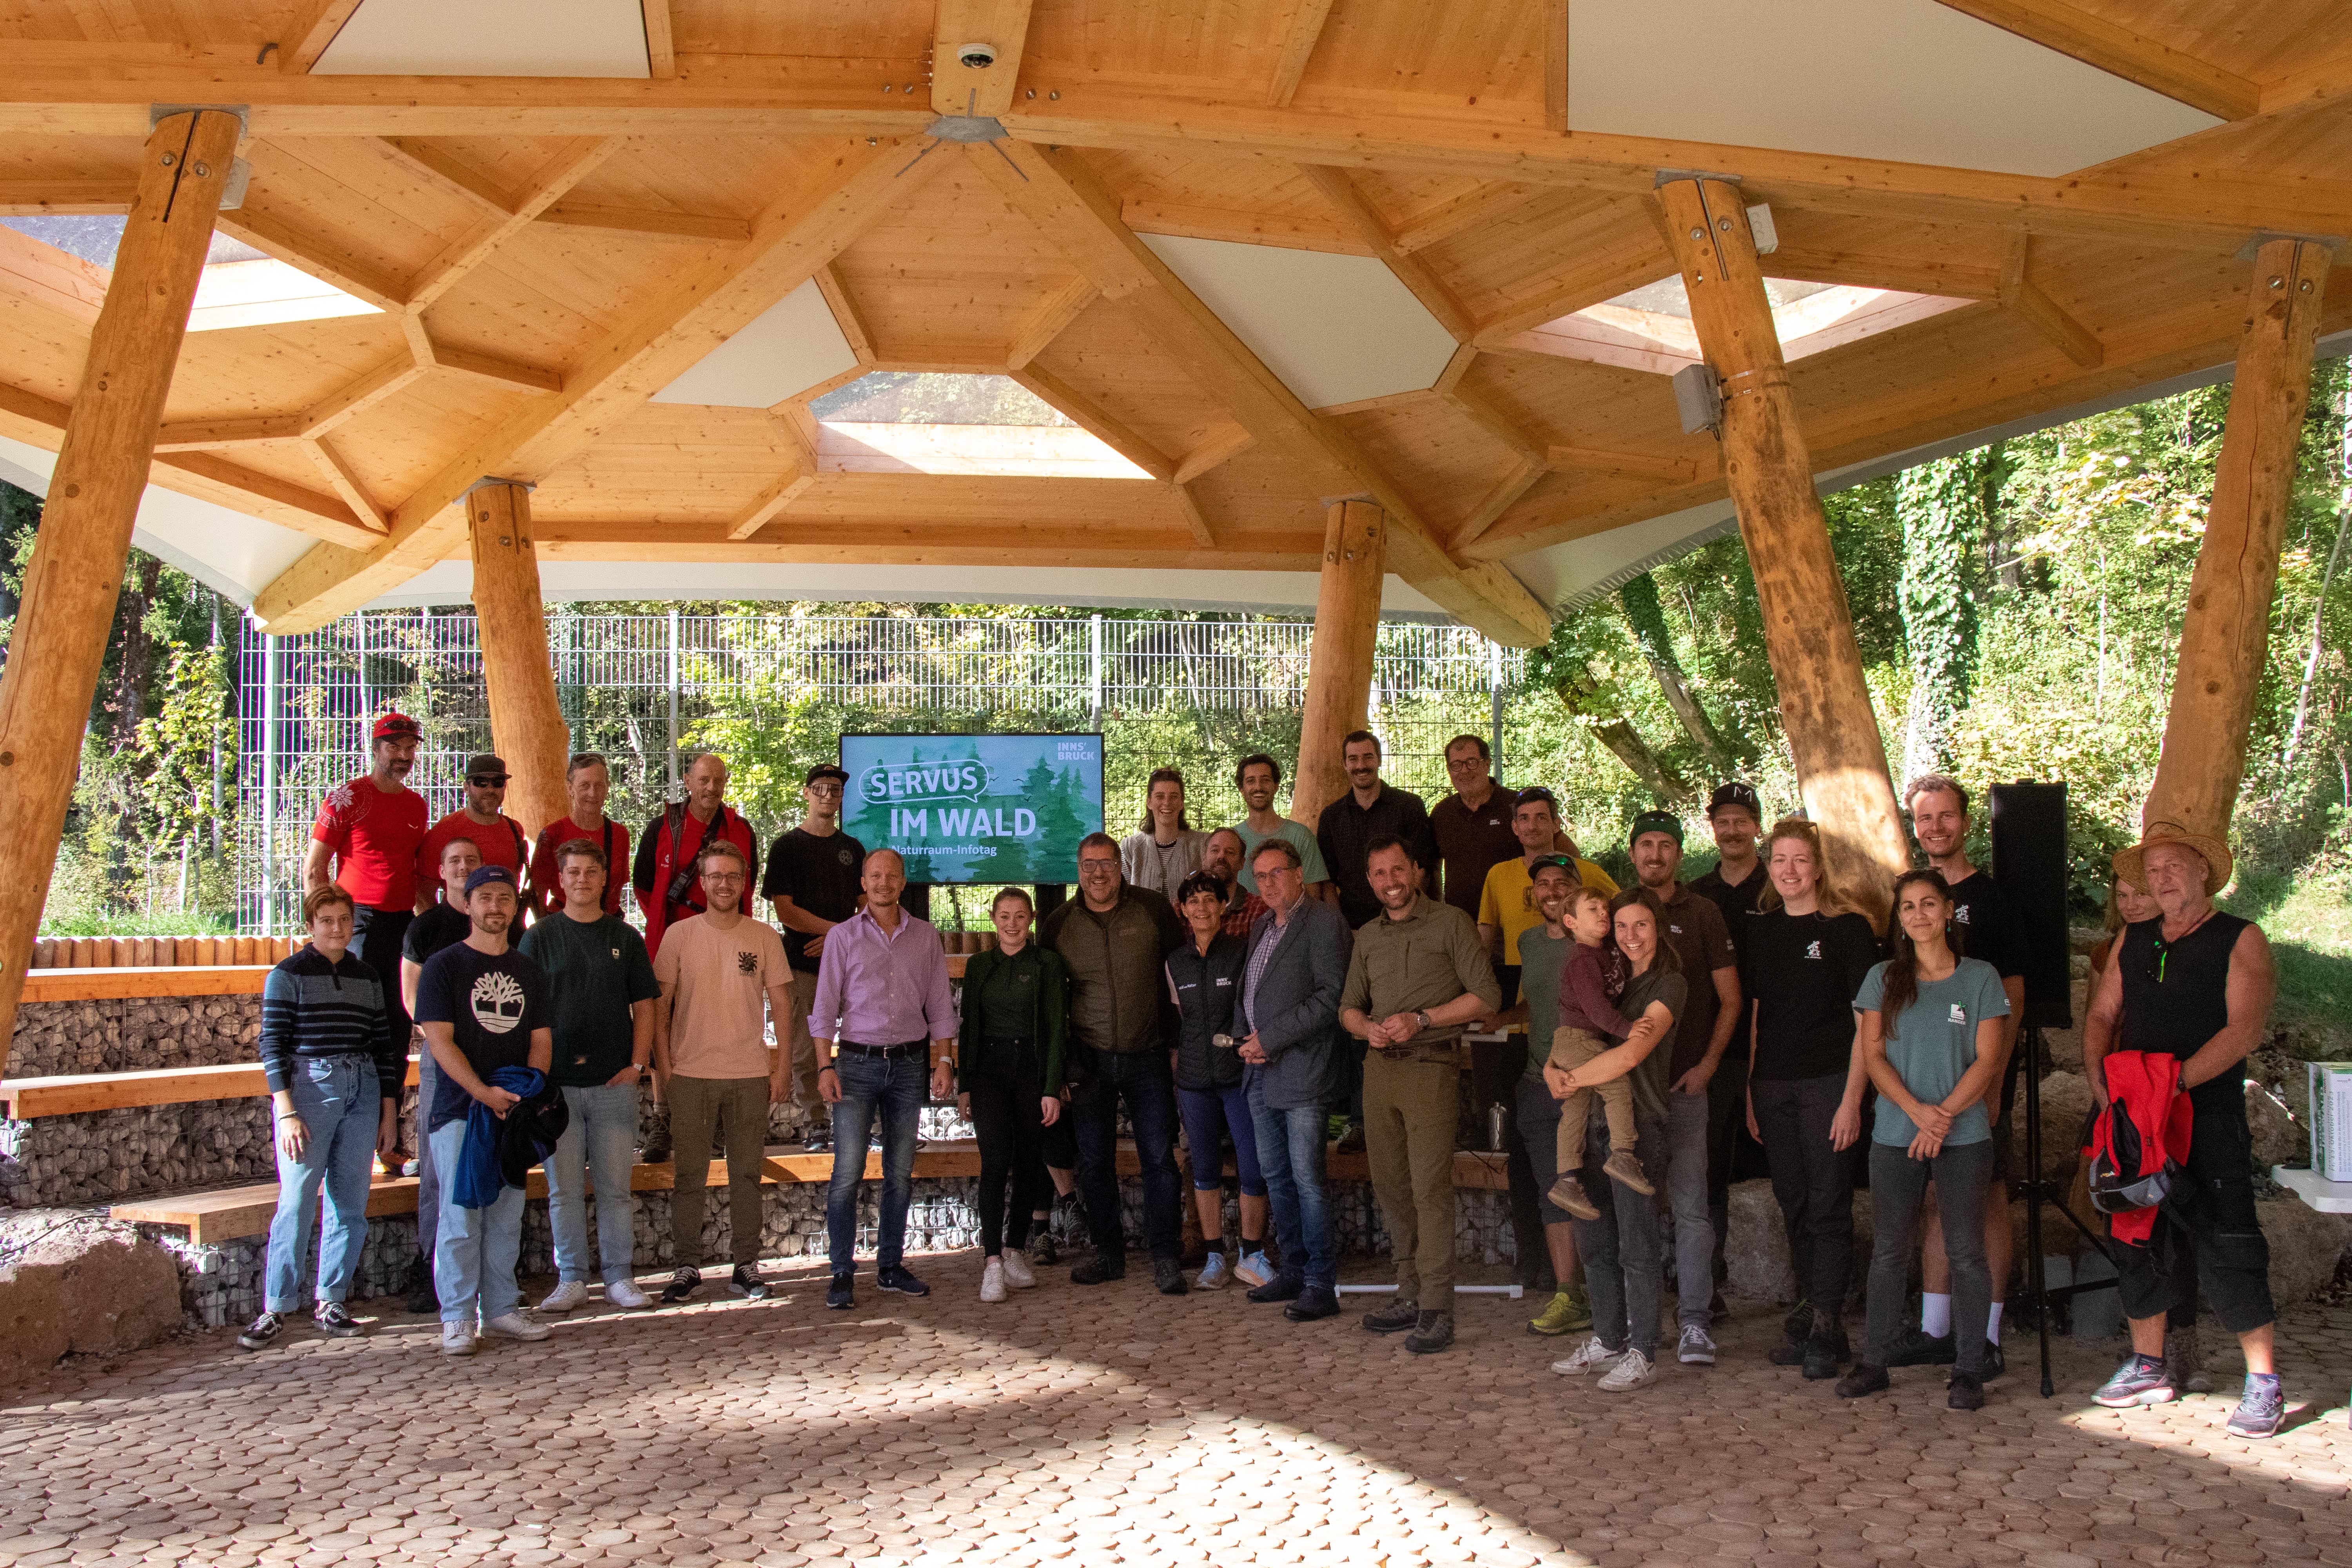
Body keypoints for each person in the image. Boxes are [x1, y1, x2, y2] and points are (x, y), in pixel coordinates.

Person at [2083, 822, 2287, 1439]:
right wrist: (2103, 1086)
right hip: (2134, 1120)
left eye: (2175, 866)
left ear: (2205, 871)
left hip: (2207, 1116)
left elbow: (2242, 1033)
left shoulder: (2241, 938)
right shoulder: (2134, 939)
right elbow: (2102, 1013)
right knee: (2134, 1230)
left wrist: (2172, 1088)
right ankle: (2149, 1365)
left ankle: (2264, 1383)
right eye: (2154, 869)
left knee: (2229, 1238)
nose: (2163, 877)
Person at [1839, 869, 2011, 1410]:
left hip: (1964, 1137)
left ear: (1949, 911)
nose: (1919, 915)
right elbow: (1872, 1055)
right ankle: (1876, 1361)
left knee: (1965, 1250)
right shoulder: (1882, 978)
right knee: (1889, 1249)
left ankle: (1968, 1368)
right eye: (1908, 907)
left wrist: (1944, 1118)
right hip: (1895, 1134)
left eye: (1929, 904)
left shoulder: (1981, 977)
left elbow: (1989, 1058)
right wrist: (1917, 1113)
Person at [1338, 835, 1499, 1356]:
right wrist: (1368, 1029)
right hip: (1379, 1069)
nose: (1391, 881)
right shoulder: (1367, 936)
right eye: (1380, 874)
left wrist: (1423, 1019)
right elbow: (1347, 1009)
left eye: (1398, 870)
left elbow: (1487, 996)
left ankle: (1437, 1307)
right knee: (1390, 1185)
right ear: (1370, 881)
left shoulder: (1450, 923)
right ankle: (1407, 1292)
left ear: (1418, 872)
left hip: (1432, 1067)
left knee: (1429, 1188)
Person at [236, 885, 406, 1351]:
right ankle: (276, 1306)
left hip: (364, 1085)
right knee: (295, 1201)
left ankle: (331, 1298)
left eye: (345, 921)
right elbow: (272, 1045)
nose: (337, 929)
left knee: (349, 1202)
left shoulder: (368, 975)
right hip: (310, 1088)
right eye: (327, 920)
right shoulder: (286, 974)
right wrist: (286, 1109)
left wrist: (389, 1110)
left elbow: (382, 1043)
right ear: (311, 925)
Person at [1742, 817, 1880, 1379]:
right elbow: (1756, 1016)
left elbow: (1866, 1022)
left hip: (1829, 1083)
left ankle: (1830, 1324)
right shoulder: (1762, 929)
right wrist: (1753, 1090)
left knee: (1828, 1203)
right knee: (1794, 1202)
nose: (1790, 871)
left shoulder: (1850, 928)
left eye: (1800, 860)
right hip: (1773, 1084)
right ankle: (1806, 1309)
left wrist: (1853, 1100)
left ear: (1819, 866)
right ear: (1769, 868)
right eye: (1779, 861)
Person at [1900, 775, 2026, 1379]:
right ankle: (1935, 1330)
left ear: (1966, 823)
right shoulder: (1907, 895)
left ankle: (1989, 1336)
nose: (1936, 828)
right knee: (1932, 1200)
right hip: (1920, 1084)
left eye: (1946, 817)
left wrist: (1996, 1080)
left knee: (1988, 1200)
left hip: (1979, 1080)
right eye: (1926, 819)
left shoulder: (1994, 899)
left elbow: (2015, 996)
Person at [412, 865, 554, 1356]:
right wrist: (481, 1092)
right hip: (459, 1111)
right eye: (486, 898)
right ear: (467, 904)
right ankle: (456, 1317)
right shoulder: (444, 966)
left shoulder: (528, 969)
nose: (496, 907)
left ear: (515, 907)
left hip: (511, 1112)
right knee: (460, 1217)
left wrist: (523, 1095)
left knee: (505, 1214)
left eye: (505, 898)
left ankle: (499, 1309)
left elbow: (540, 1040)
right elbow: (439, 1040)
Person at [1547, 887, 1684, 1392]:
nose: (1628, 934)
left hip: (1639, 1124)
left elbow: (1628, 1055)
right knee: (1596, 1244)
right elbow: (1574, 1029)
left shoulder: (1668, 984)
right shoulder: (1609, 971)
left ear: (1659, 928)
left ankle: (1643, 1350)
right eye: (1620, 924)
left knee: (1637, 1244)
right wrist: (1552, 1068)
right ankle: (1608, 1338)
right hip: (1591, 1125)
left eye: (1640, 925)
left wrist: (1570, 1077)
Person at [812, 848, 958, 1311]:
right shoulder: (841, 937)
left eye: (891, 875)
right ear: (864, 880)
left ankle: (891, 1267)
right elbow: (823, 1010)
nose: (883, 883)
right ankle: (841, 1272)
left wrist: (945, 1061)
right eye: (875, 875)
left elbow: (940, 1007)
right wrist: (824, 1066)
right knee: (847, 1174)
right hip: (855, 1066)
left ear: (902, 880)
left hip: (910, 1066)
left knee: (900, 1172)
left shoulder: (926, 937)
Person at [1042, 832, 1189, 1292]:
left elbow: (1179, 978)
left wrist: (1177, 1042)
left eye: (1106, 863)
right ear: (1078, 868)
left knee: (1160, 1160)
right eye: (1089, 865)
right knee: (1094, 1163)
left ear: (1121, 865)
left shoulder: (1152, 910)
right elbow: (1051, 1001)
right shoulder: (1059, 923)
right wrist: (1062, 1065)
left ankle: (1166, 1255)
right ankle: (1109, 1255)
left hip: (1148, 1056)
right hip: (1090, 1062)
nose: (1098, 873)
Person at [519, 837, 660, 1313]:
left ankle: (620, 1277)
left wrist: (637, 1066)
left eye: (591, 872)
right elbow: (524, 1011)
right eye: (573, 872)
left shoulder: (625, 939)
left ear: (605, 880)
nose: (582, 880)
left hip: (612, 1086)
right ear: (561, 880)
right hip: (555, 1089)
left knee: (616, 1187)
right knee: (564, 1190)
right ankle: (572, 1278)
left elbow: (645, 1007)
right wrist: (536, 1079)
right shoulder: (539, 938)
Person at [651, 840, 791, 1305]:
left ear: (744, 881)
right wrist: (665, 1070)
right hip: (690, 1075)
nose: (724, 884)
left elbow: (784, 1006)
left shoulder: (764, 936)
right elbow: (660, 1005)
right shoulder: (679, 936)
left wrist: (782, 1065)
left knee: (746, 1174)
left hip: (749, 1074)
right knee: (688, 1175)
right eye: (715, 876)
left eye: (733, 876)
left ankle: (745, 1265)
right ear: (703, 882)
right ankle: (686, 1266)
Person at [1625, 809, 1741, 1363]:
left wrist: (1710, 1065)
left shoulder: (1704, 913)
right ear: (1632, 854)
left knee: (1694, 1209)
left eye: (1665, 844)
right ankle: (1637, 1321)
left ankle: (1695, 1320)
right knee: (1638, 1209)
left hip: (1689, 1086)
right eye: (1645, 844)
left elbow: (1732, 998)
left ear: (1679, 852)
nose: (1655, 854)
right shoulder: (1622, 913)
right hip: (1633, 1094)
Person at [1234, 837, 1350, 1322]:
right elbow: (1250, 992)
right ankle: (1294, 1271)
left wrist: (1271, 1038)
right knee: (1277, 1177)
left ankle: (1322, 1283)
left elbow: (1329, 998)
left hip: (1303, 1071)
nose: (1268, 884)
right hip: (1259, 1073)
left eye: (1277, 873)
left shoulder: (1324, 922)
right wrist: (1246, 1041)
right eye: (1260, 877)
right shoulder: (1263, 923)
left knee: (1307, 1180)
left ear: (1300, 874)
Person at [1320, 732, 1440, 1153]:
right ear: (1345, 764)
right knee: (1358, 1020)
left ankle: (1414, 1116)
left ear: (1379, 759)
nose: (1361, 765)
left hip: (1407, 931)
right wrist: (1345, 930)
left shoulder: (1408, 807)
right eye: (1352, 758)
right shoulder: (1333, 817)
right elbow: (1328, 882)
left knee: (1405, 1013)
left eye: (1367, 757)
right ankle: (1360, 1120)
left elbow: (1421, 869)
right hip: (1355, 936)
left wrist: (1404, 922)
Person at [956, 887, 1067, 1303]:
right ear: (992, 918)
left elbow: (1058, 1026)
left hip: (1030, 1071)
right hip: (988, 1072)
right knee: (995, 1161)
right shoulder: (980, 965)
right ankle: (992, 1262)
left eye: (1020, 916)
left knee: (1028, 1161)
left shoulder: (1047, 964)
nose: (1012, 924)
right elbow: (968, 1027)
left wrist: (1051, 1087)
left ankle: (1016, 1249)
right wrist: (965, 1083)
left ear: (1032, 918)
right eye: (1004, 916)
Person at [1497, 858, 1592, 1338]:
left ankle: (1605, 1289)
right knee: (1552, 1190)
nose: (1552, 891)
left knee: (1591, 1188)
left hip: (1585, 1086)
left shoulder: (1597, 941)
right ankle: (1567, 1293)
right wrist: (1496, 1016)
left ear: (1578, 891)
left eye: (1563, 883)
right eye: (1543, 884)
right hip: (1538, 1085)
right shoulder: (1529, 943)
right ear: (1533, 893)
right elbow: (1536, 1002)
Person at [1167, 869, 1272, 1291]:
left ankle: (1252, 1254)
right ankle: (1214, 1257)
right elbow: (1179, 1018)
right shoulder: (1175, 961)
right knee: (1205, 1169)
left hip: (1239, 1076)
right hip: (1193, 1079)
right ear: (1183, 910)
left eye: (1210, 899)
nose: (1202, 908)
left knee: (1252, 1167)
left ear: (1223, 905)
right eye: (1193, 901)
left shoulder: (1242, 952)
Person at [1688, 780, 1771, 1312]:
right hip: (1714, 1049)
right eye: (1724, 820)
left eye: (1742, 820)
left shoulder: (1780, 885)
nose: (1733, 829)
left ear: (1757, 826)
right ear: (1712, 826)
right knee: (1709, 1168)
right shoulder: (1698, 894)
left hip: (1777, 1048)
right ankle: (1708, 1287)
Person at [305, 712, 430, 1057]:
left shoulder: (416, 805)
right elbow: (315, 870)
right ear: (376, 749)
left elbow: (417, 874)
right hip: (357, 921)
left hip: (402, 923)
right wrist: (326, 927)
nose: (403, 756)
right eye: (394, 747)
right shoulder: (345, 799)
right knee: (356, 1016)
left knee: (397, 1021)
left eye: (409, 748)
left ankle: (389, 1108)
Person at [761, 763, 867, 1156]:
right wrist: (833, 932)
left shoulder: (853, 849)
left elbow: (867, 909)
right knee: (807, 1045)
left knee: (860, 1041)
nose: (828, 795)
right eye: (820, 788)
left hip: (849, 963)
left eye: (835, 790)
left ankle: (859, 1120)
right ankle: (817, 1122)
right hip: (802, 962)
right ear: (806, 793)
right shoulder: (786, 846)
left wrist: (838, 939)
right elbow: (785, 911)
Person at [396, 833, 481, 1314]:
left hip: (493, 1057)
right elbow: (412, 1000)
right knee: (435, 1167)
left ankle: (490, 1268)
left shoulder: (498, 920)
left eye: (471, 860)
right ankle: (431, 1265)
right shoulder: (424, 929)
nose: (463, 867)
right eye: (454, 861)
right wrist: (444, 1045)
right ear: (442, 871)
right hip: (441, 1057)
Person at [1541, 884, 1653, 1218]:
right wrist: (1627, 1028)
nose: (1604, 913)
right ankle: (1623, 1154)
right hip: (1579, 1039)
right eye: (1593, 910)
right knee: (1616, 1087)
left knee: (1575, 1108)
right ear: (1571, 922)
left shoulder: (1606, 951)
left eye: (1606, 909)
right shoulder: (1581, 959)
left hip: (1580, 1041)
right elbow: (1594, 1007)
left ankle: (1567, 1178)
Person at [1477, 787, 1615, 1010]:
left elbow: (1621, 912)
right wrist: (1478, 984)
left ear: (1556, 824)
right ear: (1515, 827)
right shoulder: (1499, 875)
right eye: (1524, 819)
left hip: (1577, 987)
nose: (1532, 826)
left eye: (1541, 817)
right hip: (1520, 990)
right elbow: (1486, 932)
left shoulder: (1586, 872)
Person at [633, 751, 760, 958]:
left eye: (718, 781)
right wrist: (665, 923)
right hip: (674, 940)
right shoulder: (663, 828)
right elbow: (642, 886)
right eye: (704, 780)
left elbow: (748, 885)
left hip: (728, 940)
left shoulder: (741, 830)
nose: (711, 787)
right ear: (688, 782)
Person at [416, 754, 531, 909]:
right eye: (481, 783)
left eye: (498, 783)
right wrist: (439, 927)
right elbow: (423, 892)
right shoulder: (445, 830)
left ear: (505, 787)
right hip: (460, 925)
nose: (490, 790)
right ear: (466, 788)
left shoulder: (514, 829)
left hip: (505, 921)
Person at [526, 752, 632, 919]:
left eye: (599, 786)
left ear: (607, 787)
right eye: (585, 786)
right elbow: (537, 892)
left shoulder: (620, 834)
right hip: (563, 925)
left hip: (606, 925)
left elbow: (616, 889)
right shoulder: (552, 834)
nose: (593, 793)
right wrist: (546, 932)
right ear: (570, 788)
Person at [1430, 734, 1520, 920]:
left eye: (1472, 762)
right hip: (1461, 923)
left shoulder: (1516, 806)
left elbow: (1555, 849)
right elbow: (1433, 869)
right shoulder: (1442, 813)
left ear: (1487, 764)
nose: (1464, 771)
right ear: (1449, 770)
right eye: (1456, 765)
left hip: (1511, 918)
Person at [1232, 753, 1331, 902]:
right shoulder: (1233, 839)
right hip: (1242, 922)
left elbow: (1313, 894)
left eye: (1265, 780)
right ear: (1241, 789)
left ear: (1276, 786)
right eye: (1251, 781)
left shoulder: (1300, 835)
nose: (1258, 787)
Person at [1122, 767, 1209, 902]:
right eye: (1160, 796)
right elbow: (1122, 899)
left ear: (1181, 803)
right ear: (1149, 802)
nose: (1167, 803)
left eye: (1174, 797)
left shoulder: (1203, 844)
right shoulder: (1130, 847)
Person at [1201, 828, 1269, 936]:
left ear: (1242, 863)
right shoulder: (1184, 907)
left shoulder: (1258, 910)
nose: (1222, 856)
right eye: (1215, 850)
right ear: (1204, 858)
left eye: (1230, 852)